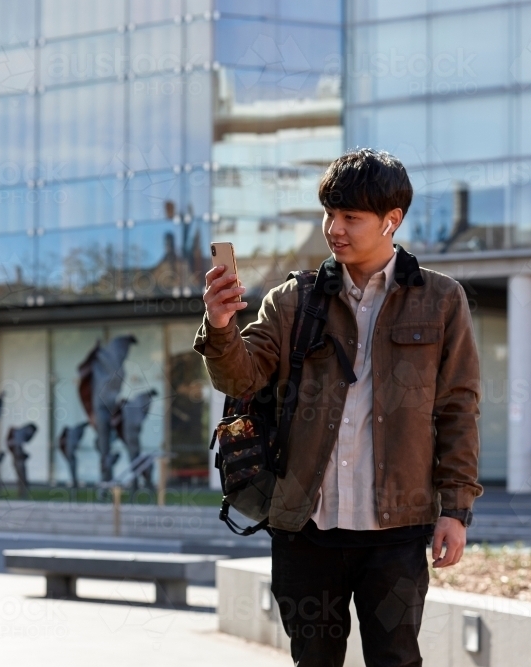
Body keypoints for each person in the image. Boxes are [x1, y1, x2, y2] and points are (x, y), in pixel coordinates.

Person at [194, 148, 482, 667]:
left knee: (396, 659)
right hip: (307, 528)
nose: (335, 228)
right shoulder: (292, 300)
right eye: (330, 213)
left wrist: (456, 510)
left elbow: (458, 409)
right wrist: (219, 325)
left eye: (351, 216)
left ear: (391, 220)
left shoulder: (441, 300)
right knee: (314, 660)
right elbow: (240, 376)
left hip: (397, 531)